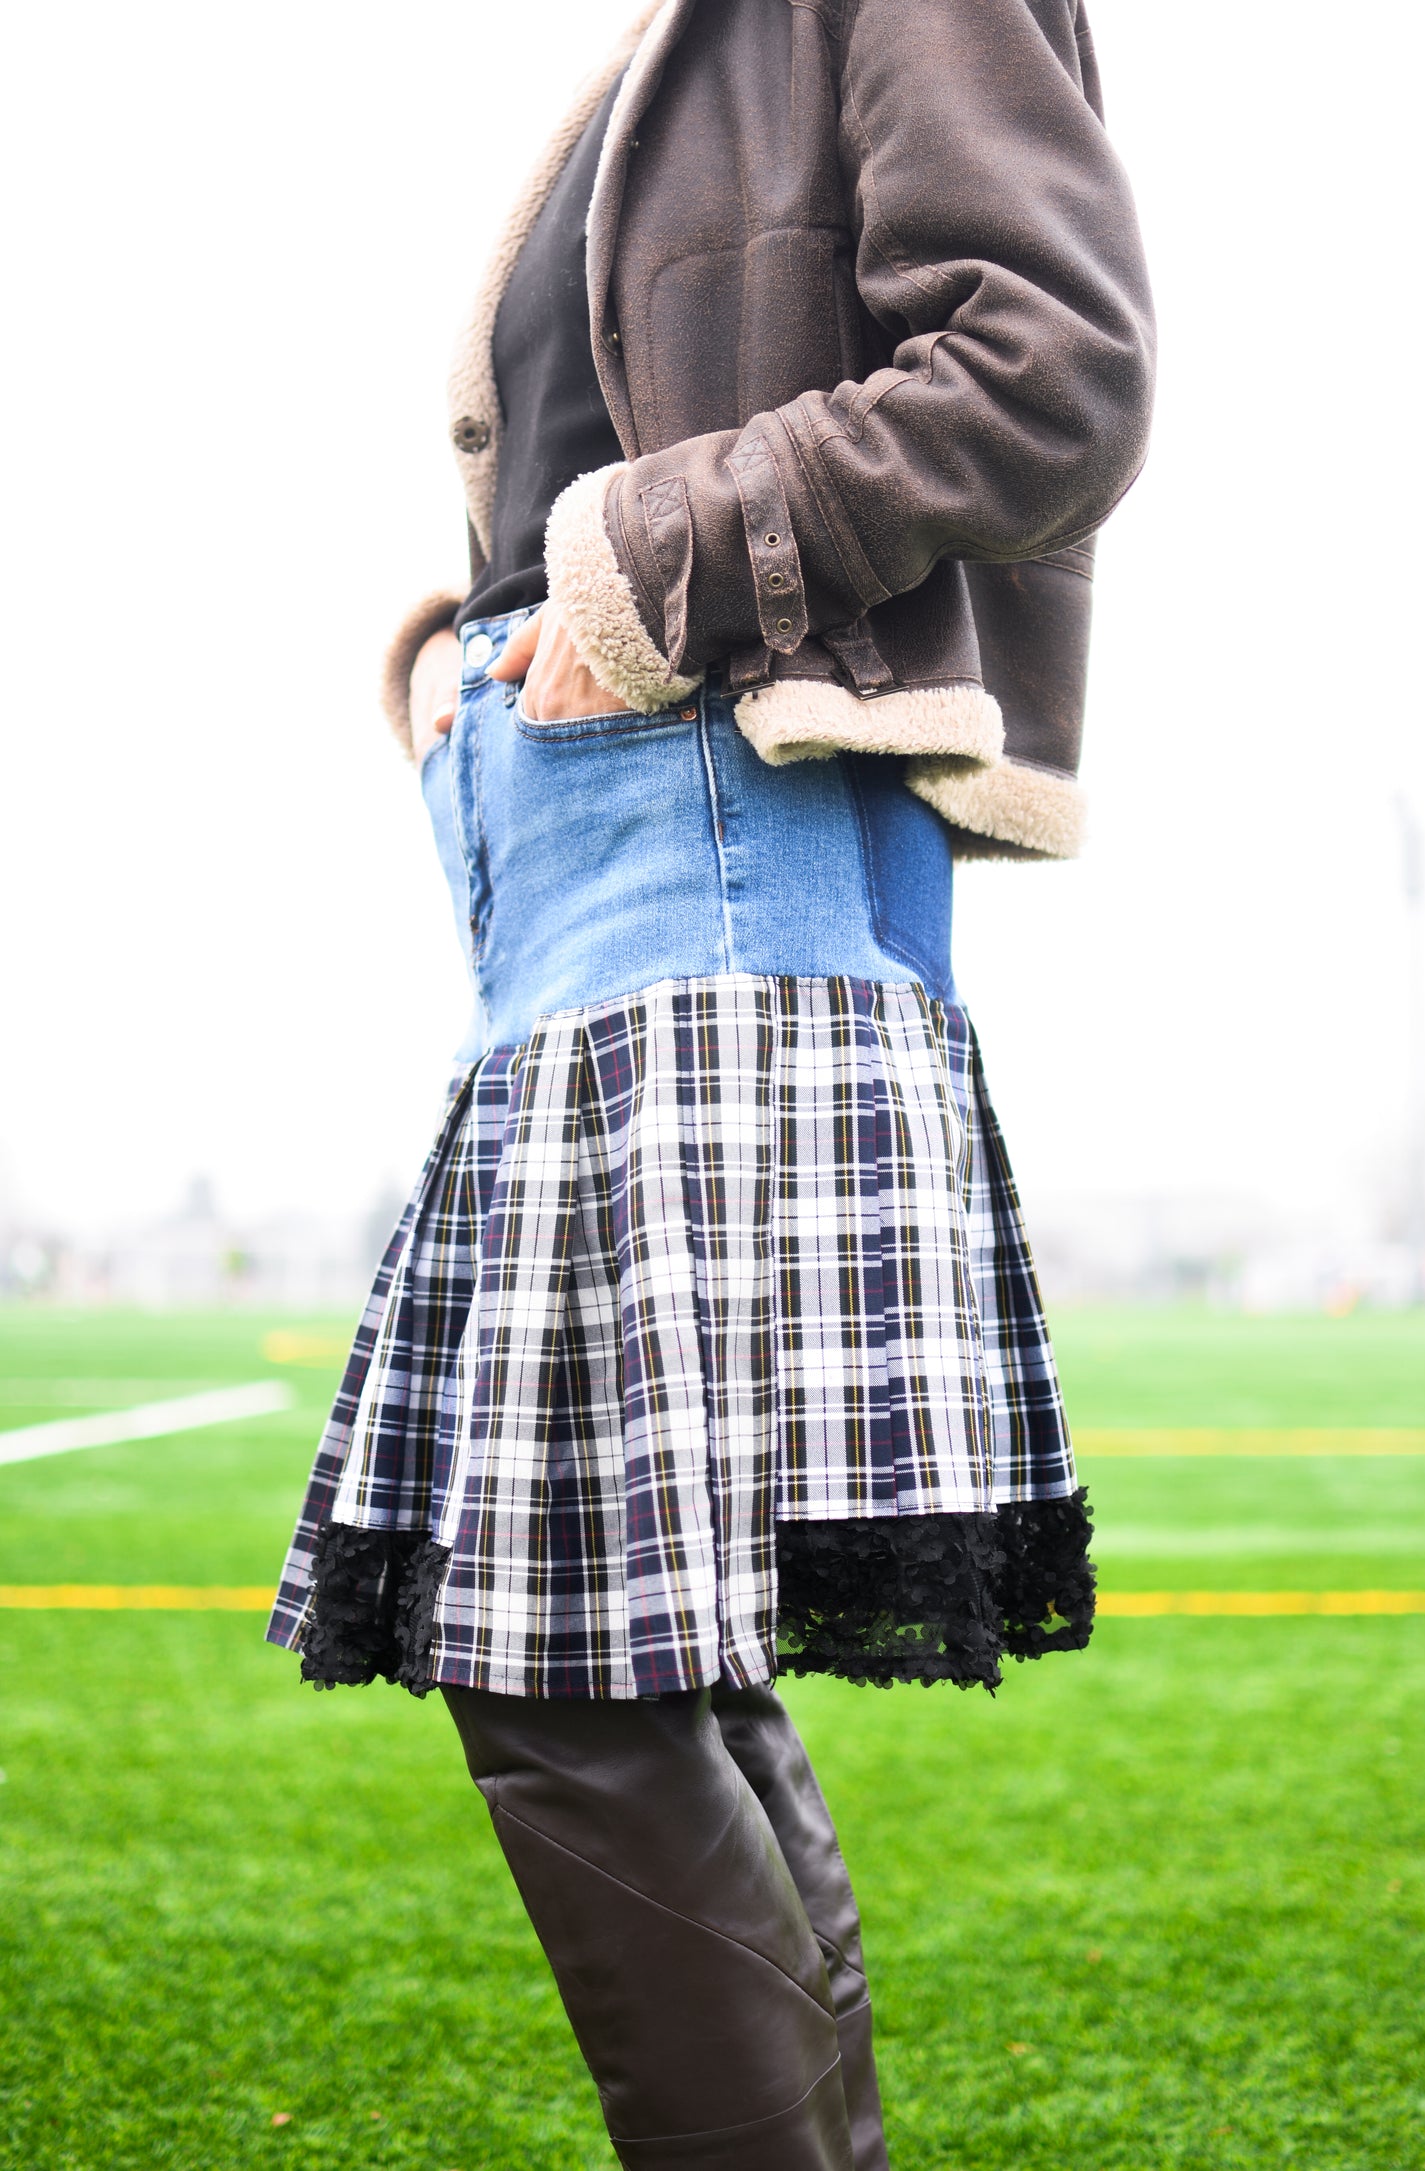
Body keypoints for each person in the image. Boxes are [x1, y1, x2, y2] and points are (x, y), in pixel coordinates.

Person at [267, 2, 1153, 2163]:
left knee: (563, 1650)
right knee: (635, 1640)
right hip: (594, 866)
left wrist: (635, 572)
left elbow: (1052, 368)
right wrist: (475, 669)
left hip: (718, 847)